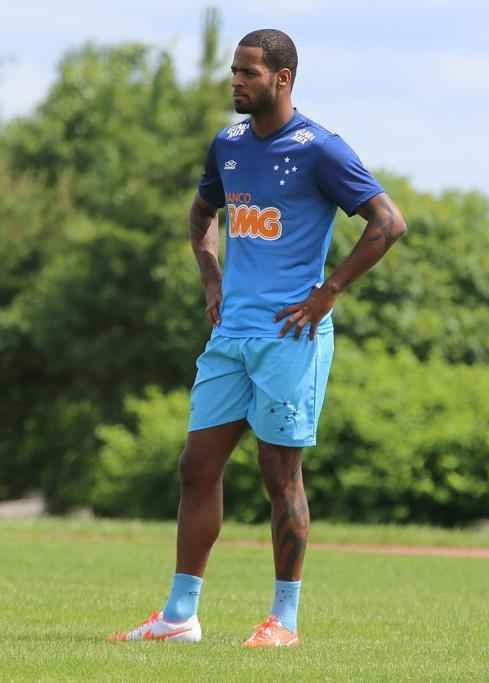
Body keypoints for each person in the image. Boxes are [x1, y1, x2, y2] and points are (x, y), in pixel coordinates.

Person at [108, 28, 406, 648]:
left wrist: (330, 293)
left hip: (290, 339)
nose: (236, 82)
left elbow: (387, 223)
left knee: (280, 476)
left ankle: (284, 622)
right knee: (197, 466)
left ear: (282, 78)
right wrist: (211, 276)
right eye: (234, 72)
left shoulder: (321, 149)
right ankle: (180, 616)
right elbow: (201, 215)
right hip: (231, 337)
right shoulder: (228, 145)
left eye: (248, 73)